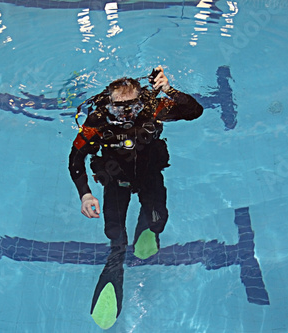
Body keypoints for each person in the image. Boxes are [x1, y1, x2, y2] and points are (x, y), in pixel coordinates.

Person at [68, 66, 203, 329]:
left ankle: (147, 225)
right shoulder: (97, 121)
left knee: (158, 220)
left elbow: (194, 112)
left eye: (133, 107)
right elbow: (75, 158)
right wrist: (85, 194)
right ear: (108, 105)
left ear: (142, 101)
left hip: (150, 174)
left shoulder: (154, 107)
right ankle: (114, 265)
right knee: (115, 233)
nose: (127, 114)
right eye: (120, 109)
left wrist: (169, 89)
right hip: (115, 180)